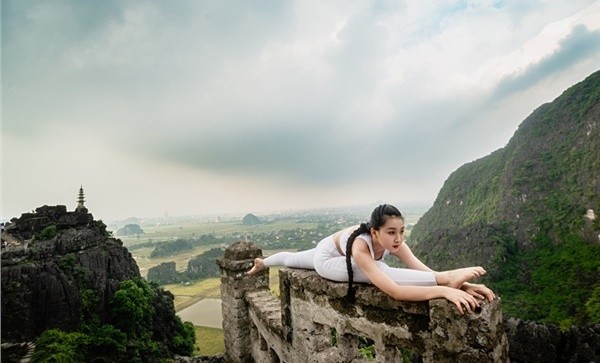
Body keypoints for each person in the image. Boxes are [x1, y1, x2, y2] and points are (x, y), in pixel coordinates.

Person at [248, 204, 495, 314]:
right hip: (328, 259)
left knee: (292, 259)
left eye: (401, 231)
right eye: (391, 232)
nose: (398, 239)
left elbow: (424, 271)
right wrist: (444, 290)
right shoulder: (361, 246)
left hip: (329, 247)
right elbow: (396, 291)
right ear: (375, 232)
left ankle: (263, 262)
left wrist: (460, 285)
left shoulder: (396, 241)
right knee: (380, 269)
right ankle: (264, 263)